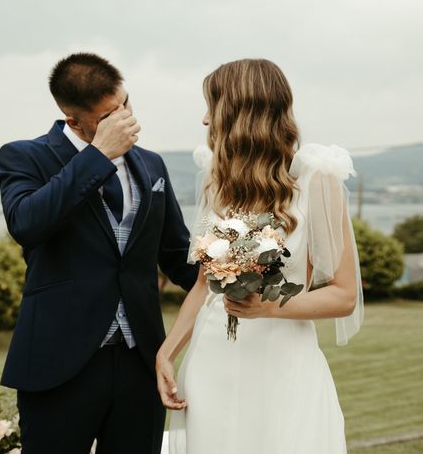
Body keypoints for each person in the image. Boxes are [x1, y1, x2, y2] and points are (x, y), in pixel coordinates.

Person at [156, 58, 364, 454]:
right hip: (212, 357)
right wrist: (167, 354)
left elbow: (343, 295)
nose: (204, 120)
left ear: (238, 113)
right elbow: (203, 284)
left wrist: (268, 308)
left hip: (282, 361)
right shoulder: (217, 183)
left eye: (211, 106)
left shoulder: (316, 182)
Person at [0, 52, 199, 454]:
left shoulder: (152, 164)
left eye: (126, 103)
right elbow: (27, 224)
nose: (127, 119)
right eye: (111, 115)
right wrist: (97, 156)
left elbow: (177, 253)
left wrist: (236, 286)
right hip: (60, 364)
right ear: (74, 120)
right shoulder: (24, 156)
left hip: (141, 360)